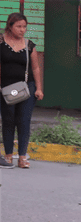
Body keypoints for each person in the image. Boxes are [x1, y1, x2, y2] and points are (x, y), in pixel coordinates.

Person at [0, 12, 43, 169]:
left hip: (26, 88)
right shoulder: (0, 41)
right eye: (19, 26)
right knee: (8, 120)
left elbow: (36, 68)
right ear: (10, 26)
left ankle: (22, 157)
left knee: (24, 121)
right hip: (6, 89)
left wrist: (39, 88)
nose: (22, 30)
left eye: (24, 27)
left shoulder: (29, 45)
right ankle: (8, 155)